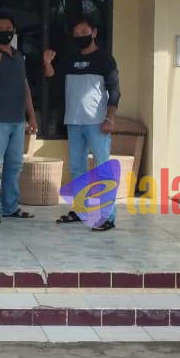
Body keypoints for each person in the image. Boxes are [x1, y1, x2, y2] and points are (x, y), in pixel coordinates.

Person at [44, 18, 121, 232]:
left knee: (102, 167)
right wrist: (47, 63)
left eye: (84, 31)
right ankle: (80, 211)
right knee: (77, 168)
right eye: (77, 33)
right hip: (74, 122)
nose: (81, 36)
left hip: (97, 123)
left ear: (94, 32)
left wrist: (110, 118)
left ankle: (108, 216)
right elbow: (53, 79)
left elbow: (115, 90)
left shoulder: (105, 59)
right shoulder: (70, 58)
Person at [0, 11, 38, 224]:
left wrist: (31, 116)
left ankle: (11, 207)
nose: (5, 32)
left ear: (14, 31)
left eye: (8, 28)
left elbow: (25, 86)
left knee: (14, 167)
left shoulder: (19, 56)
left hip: (18, 121)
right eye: (0, 29)